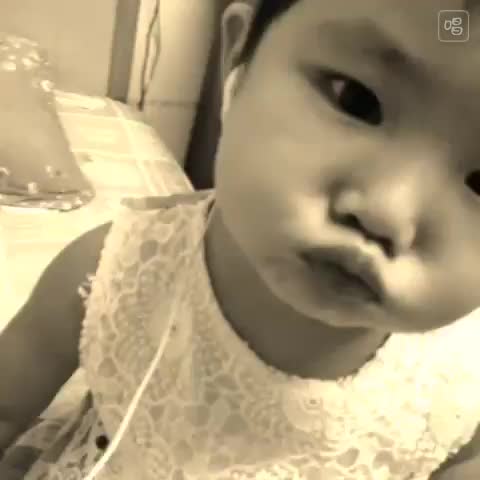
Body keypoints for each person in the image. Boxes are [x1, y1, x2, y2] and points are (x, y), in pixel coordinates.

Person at [1, 0, 480, 478]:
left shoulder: (463, 388)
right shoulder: (111, 274)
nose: (385, 213)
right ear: (238, 60)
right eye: (356, 100)